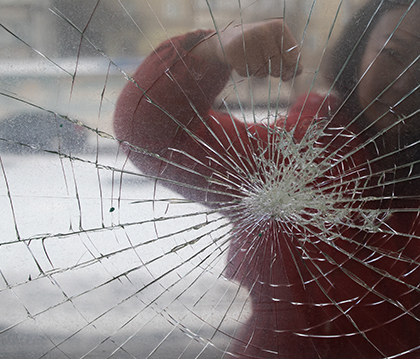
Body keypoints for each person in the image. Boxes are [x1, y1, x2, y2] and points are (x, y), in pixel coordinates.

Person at [114, 0, 420, 357]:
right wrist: (212, 50)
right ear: (357, 53)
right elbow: (150, 131)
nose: (406, 82)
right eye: (395, 53)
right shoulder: (291, 160)